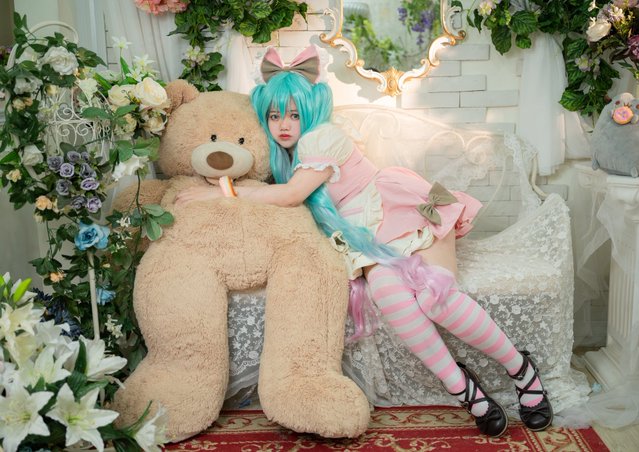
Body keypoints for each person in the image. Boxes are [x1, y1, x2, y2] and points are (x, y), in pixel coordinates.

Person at [176, 45, 553, 437]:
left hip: (399, 211)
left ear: (311, 111)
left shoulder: (321, 139)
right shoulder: (287, 159)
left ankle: (521, 369)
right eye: (274, 115)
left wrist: (217, 193)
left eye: (294, 113)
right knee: (390, 298)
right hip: (368, 239)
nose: (283, 124)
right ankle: (462, 389)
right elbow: (280, 198)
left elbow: (289, 196)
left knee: (434, 297)